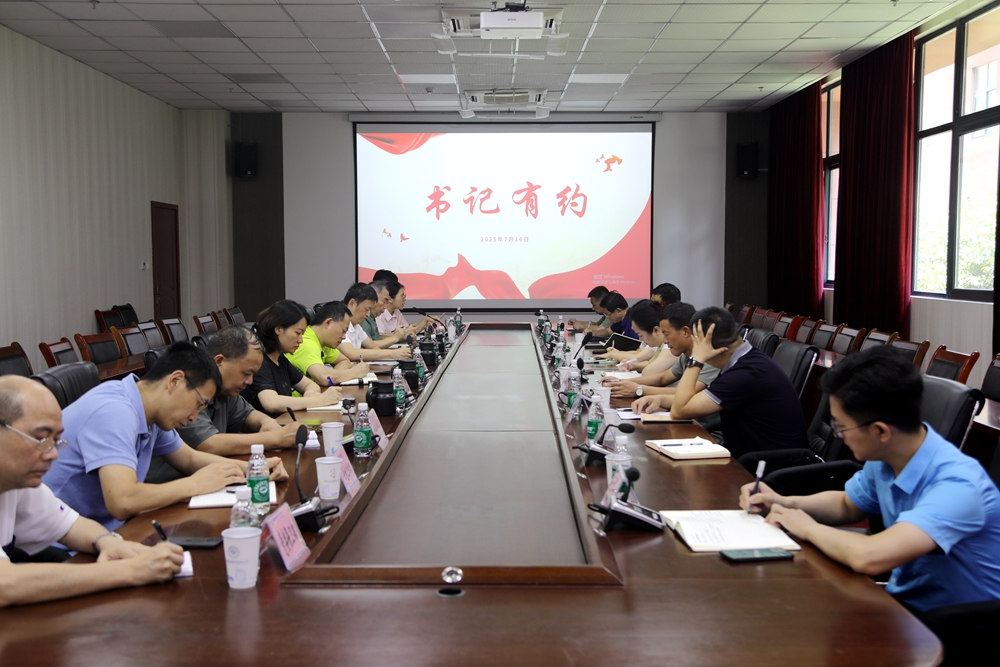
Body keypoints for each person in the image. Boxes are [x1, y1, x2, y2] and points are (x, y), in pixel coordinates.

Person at [740, 347, 1000, 614]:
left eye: (841, 427)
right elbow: (847, 504)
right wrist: (782, 502)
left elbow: (868, 557)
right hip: (905, 604)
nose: (838, 435)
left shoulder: (959, 486)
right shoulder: (887, 456)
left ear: (880, 431)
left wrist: (806, 527)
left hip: (959, 625)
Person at [43, 343, 289, 531]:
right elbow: (123, 500)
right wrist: (195, 484)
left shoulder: (148, 410)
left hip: (103, 530)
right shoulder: (115, 411)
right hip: (60, 544)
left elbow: (189, 458)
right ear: (175, 381)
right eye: (198, 403)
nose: (194, 417)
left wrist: (256, 468)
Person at [0, 376, 185, 607]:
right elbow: (5, 584)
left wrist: (108, 542)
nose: (52, 454)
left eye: (56, 441)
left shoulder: (17, 483)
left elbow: (70, 525)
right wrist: (131, 570)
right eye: (40, 439)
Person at [637, 306, 807, 459]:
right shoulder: (744, 361)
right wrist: (660, 399)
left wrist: (697, 359)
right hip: (751, 456)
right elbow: (694, 401)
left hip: (767, 467)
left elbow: (680, 411)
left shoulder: (746, 373)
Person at [241, 300, 342, 417]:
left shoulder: (280, 358)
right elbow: (271, 403)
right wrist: (319, 400)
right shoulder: (259, 361)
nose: (300, 340)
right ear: (278, 329)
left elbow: (310, 385)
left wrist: (311, 394)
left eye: (302, 334)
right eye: (297, 333)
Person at [608, 302, 720, 403]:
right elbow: (662, 378)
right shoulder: (686, 354)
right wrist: (621, 383)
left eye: (666, 334)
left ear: (685, 332)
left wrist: (639, 389)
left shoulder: (709, 357)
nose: (665, 341)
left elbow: (687, 392)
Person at [286, 301, 370, 386]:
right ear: (328, 323)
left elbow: (344, 361)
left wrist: (332, 377)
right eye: (343, 331)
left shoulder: (324, 341)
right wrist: (354, 372)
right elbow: (324, 378)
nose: (344, 337)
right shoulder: (306, 343)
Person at [338, 283, 412, 362]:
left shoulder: (356, 326)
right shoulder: (338, 322)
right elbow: (351, 353)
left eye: (370, 310)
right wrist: (391, 353)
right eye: (366, 309)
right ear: (352, 303)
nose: (368, 314)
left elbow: (373, 346)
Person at [360, 281, 407, 347]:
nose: (385, 307)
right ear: (373, 299)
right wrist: (394, 338)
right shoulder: (363, 319)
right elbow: (368, 347)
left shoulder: (372, 318)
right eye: (384, 301)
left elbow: (374, 342)